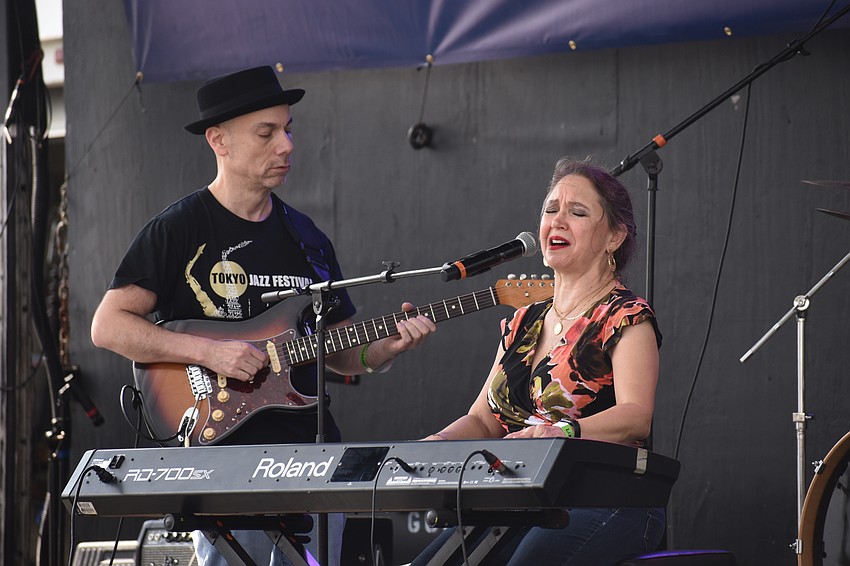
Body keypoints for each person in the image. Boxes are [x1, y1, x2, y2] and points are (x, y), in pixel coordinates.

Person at [90, 65, 436, 565]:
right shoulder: (178, 229)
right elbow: (108, 326)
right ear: (219, 140)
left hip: (311, 456)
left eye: (288, 129)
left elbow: (340, 352)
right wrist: (209, 353)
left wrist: (385, 349)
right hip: (222, 460)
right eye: (266, 132)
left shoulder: (307, 238)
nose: (287, 145)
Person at [413, 157, 664, 566]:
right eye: (551, 209)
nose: (557, 221)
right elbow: (483, 420)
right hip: (522, 498)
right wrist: (432, 447)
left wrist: (560, 431)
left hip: (607, 498)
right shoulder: (521, 322)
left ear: (614, 237)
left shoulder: (626, 315)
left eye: (577, 212)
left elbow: (637, 417)